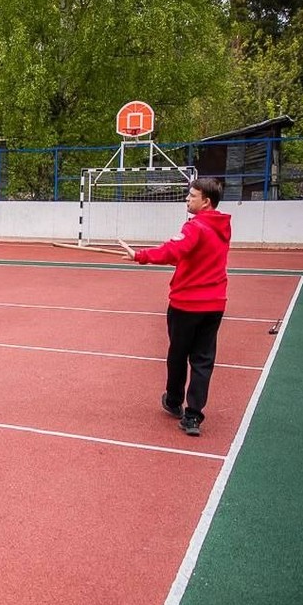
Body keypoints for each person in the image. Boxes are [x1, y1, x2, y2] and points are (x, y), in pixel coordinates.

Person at [118, 177, 231, 437]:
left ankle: (173, 400)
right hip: (215, 304)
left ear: (207, 202)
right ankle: (193, 416)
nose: (187, 199)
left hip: (187, 303)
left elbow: (174, 251)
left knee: (178, 354)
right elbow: (187, 255)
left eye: (192, 196)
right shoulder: (222, 226)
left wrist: (140, 256)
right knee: (203, 360)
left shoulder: (196, 227)